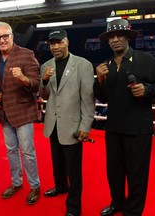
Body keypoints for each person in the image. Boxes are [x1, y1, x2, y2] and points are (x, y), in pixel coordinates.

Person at [94, 19, 155, 216]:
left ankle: (133, 211)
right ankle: (116, 203)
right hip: (113, 128)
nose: (116, 40)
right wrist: (100, 81)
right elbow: (102, 97)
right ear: (108, 40)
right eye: (112, 36)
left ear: (128, 37)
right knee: (114, 172)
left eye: (119, 36)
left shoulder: (146, 59)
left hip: (138, 129)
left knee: (137, 174)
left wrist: (147, 89)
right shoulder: (106, 66)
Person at [40, 28, 95, 216]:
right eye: (52, 43)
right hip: (53, 123)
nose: (55, 46)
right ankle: (60, 186)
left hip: (73, 124)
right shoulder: (46, 65)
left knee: (74, 169)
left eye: (59, 42)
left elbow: (88, 99)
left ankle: (73, 207)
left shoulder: (83, 65)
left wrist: (85, 125)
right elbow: (43, 94)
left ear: (67, 42)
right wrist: (44, 80)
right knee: (57, 162)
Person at [0, 21, 41, 205]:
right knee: (11, 151)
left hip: (23, 111)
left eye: (5, 36)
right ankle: (16, 182)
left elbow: (37, 83)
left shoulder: (26, 54)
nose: (2, 40)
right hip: (4, 112)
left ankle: (35, 186)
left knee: (27, 151)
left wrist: (23, 78)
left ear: (12, 36)